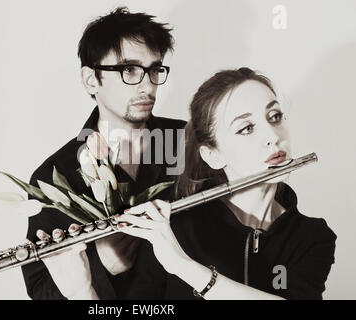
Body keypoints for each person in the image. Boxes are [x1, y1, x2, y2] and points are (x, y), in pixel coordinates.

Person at [117, 67, 337, 299]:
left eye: (274, 117)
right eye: (247, 128)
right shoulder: (174, 229)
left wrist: (181, 265)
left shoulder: (311, 237)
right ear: (213, 155)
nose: (273, 136)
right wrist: (82, 288)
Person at [21, 7, 186, 300]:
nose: (148, 85)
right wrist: (102, 265)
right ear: (91, 80)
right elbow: (41, 292)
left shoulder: (189, 141)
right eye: (130, 70)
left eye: (155, 70)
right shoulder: (53, 177)